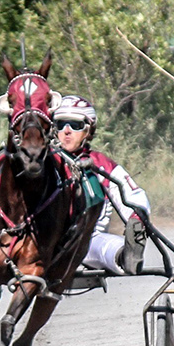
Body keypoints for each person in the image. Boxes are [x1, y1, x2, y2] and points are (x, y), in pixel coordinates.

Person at [52, 94, 149, 275]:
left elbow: (133, 196)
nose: (67, 131)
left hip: (87, 241)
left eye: (75, 125)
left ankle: (126, 256)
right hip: (46, 242)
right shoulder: (42, 163)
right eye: (60, 124)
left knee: (109, 246)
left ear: (88, 130)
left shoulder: (101, 164)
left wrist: (136, 220)